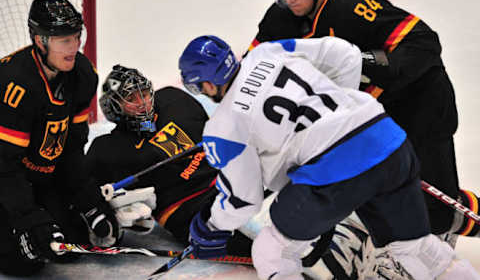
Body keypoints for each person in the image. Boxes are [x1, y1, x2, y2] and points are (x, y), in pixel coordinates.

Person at [178, 34, 480, 280]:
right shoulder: (267, 52)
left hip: (336, 172)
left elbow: (244, 200)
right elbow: (344, 54)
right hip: (386, 138)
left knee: (271, 250)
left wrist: (212, 226)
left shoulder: (223, 126)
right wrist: (339, 110)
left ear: (205, 83)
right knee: (417, 249)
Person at [248, 0, 480, 246]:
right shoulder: (279, 18)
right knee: (379, 191)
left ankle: (440, 238)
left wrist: (363, 61)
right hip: (367, 117)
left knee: (436, 211)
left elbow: (423, 41)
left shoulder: (353, 5)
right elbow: (254, 64)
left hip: (419, 104)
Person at [0, 0, 123, 277]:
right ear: (40, 40)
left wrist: (90, 202)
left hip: (35, 175)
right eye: (63, 40)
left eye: (76, 37)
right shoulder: (15, 85)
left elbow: (71, 149)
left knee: (69, 244)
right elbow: (4, 168)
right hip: (5, 176)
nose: (74, 47)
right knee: (23, 260)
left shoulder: (82, 75)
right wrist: (28, 218)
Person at [85, 64, 252, 256]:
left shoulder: (174, 100)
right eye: (131, 99)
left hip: (226, 178)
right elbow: (84, 190)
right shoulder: (106, 149)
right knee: (253, 244)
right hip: (185, 207)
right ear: (114, 107)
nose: (143, 102)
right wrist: (107, 216)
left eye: (145, 93)